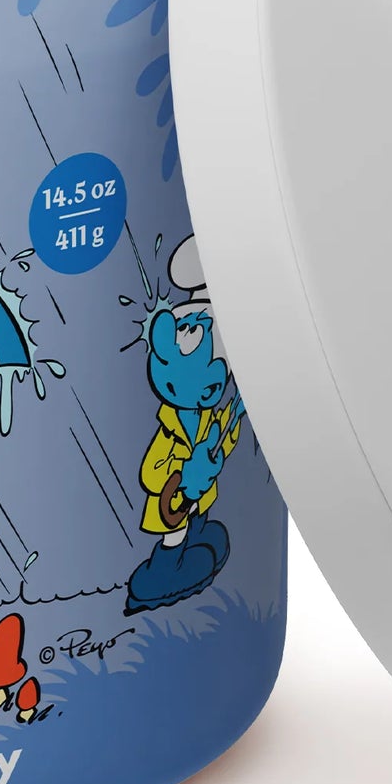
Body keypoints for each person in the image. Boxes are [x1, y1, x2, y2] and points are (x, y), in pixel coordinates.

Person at [125, 236, 240, 614]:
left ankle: (197, 543)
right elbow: (151, 471)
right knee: (174, 535)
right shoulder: (170, 425)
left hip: (197, 497)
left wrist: (223, 439)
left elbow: (225, 437)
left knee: (199, 524)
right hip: (171, 503)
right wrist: (183, 474)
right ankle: (164, 571)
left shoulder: (209, 418)